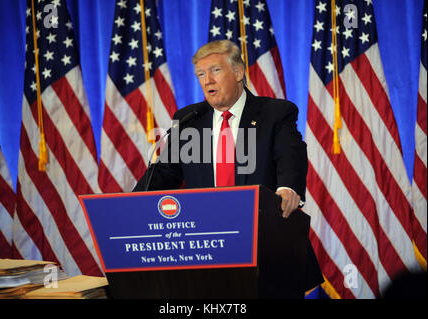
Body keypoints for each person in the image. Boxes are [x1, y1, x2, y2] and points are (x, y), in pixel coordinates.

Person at [134, 39, 323, 294]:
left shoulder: (274, 113)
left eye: (215, 70)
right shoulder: (189, 120)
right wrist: (131, 209)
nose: (207, 80)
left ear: (238, 72)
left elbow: (290, 155)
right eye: (201, 74)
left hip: (267, 254)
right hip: (206, 254)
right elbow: (164, 173)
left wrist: (288, 187)